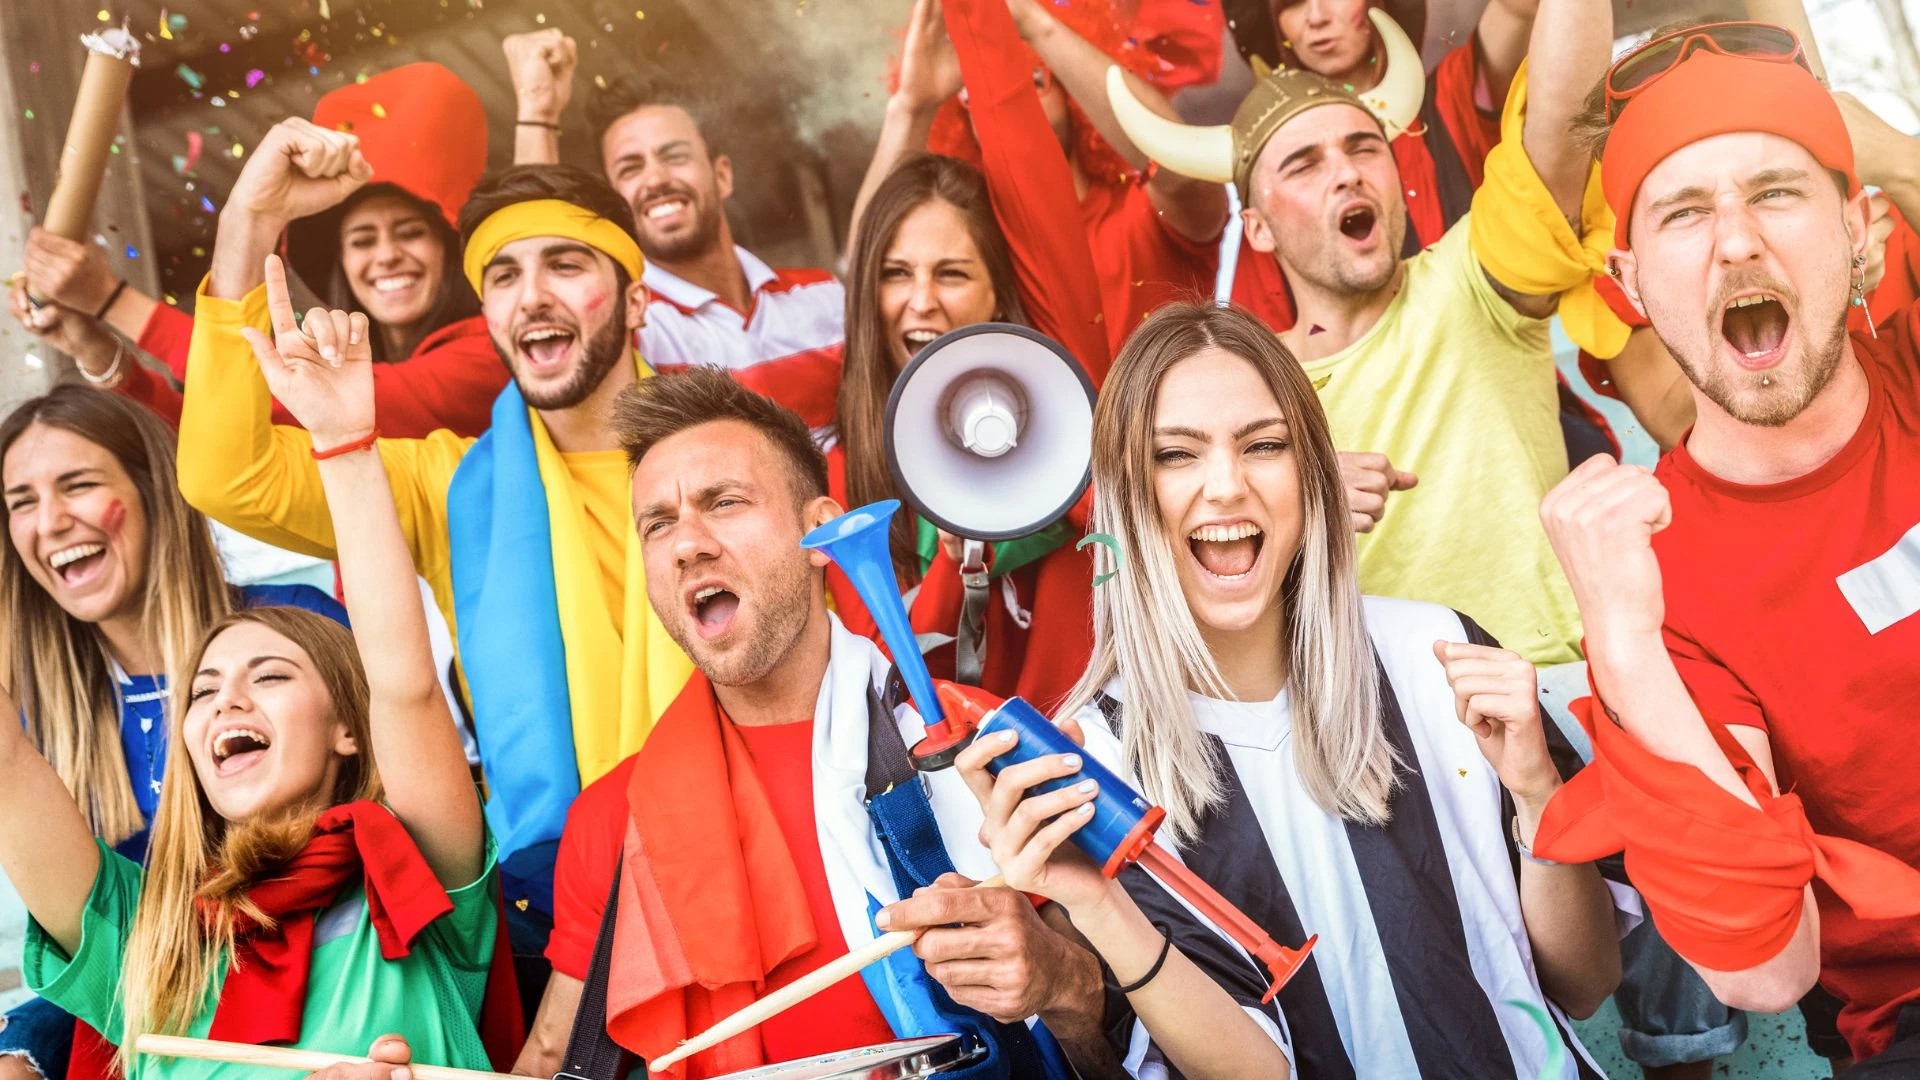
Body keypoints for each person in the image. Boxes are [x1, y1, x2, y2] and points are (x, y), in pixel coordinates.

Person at [513, 369, 1158, 1079]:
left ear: (820, 530)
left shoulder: (977, 751)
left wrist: (1060, 981)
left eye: (723, 502)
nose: (686, 544)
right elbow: (553, 1059)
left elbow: (1125, 1044)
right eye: (658, 523)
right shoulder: (612, 820)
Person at [1057, 301, 1623, 1076]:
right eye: (1176, 455)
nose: (1226, 486)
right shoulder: (1098, 763)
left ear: (1312, 475)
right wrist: (1091, 902)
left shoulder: (1443, 655)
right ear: (1125, 492)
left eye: (1264, 445)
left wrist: (1536, 793)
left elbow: (1587, 984)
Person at [0, 279, 522, 1078]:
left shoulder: (415, 878)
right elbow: (6, 762)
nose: (225, 700)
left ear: (350, 724)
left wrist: (344, 445)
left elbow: (403, 681)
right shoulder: (145, 937)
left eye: (268, 675)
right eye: (202, 691)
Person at [1532, 23, 1920, 1075]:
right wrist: (1621, 640)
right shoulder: (1664, 582)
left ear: (1859, 231)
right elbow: (1765, 967)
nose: (1737, 240)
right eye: (1685, 211)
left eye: (1777, 193)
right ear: (1629, 285)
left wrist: (1890, 161)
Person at [172, 160, 692, 943]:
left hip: (739, 860)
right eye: (506, 276)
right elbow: (228, 476)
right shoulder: (443, 482)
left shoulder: (729, 462)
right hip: (555, 911)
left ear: (637, 298)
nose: (534, 295)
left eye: (566, 264)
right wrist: (246, 217)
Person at [1106, 0, 1598, 666]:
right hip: (1367, 729)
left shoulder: (1475, 277)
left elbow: (1568, 122)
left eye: (1364, 147)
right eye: (1304, 165)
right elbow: (1162, 577)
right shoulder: (1237, 391)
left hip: (1549, 686)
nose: (1346, 171)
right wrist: (1298, 503)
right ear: (1257, 229)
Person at [0, 387, 346, 1080]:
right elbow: (94, 938)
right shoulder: (40, 713)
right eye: (22, 503)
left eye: (78, 485)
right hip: (148, 985)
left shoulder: (291, 626)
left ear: (156, 489)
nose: (52, 521)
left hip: (317, 965)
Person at [8, 63, 504, 439]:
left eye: (410, 232)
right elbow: (220, 435)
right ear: (342, 267)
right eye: (362, 240)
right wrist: (95, 348)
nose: (387, 255)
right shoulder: (351, 364)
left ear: (450, 250)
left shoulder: (492, 352)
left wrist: (111, 299)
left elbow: (299, 399)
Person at [505, 29, 847, 440]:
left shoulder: (823, 295)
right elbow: (535, 252)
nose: (656, 179)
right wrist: (538, 115)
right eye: (631, 168)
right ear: (616, 203)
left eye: (675, 156)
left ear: (722, 175)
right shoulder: (633, 326)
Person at [871, 0, 1225, 353]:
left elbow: (1186, 177)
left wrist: (1036, 25)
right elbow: (868, 258)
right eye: (978, 88)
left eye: (1036, 77)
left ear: (1074, 95)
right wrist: (911, 108)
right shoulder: (969, 243)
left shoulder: (1141, 214)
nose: (1013, 92)